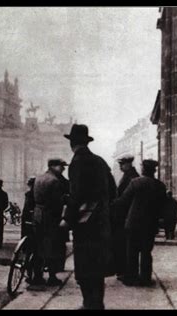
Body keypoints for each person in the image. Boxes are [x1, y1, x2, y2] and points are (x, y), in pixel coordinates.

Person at [60, 124, 115, 310]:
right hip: (102, 221)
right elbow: (113, 190)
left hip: (84, 223)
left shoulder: (77, 162)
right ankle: (97, 303)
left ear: (72, 143)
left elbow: (76, 195)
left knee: (84, 264)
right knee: (97, 265)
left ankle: (88, 304)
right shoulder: (100, 161)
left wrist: (67, 218)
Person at [113, 159, 167, 287]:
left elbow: (123, 201)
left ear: (143, 169)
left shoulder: (135, 183)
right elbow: (163, 206)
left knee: (131, 251)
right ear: (154, 170)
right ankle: (145, 278)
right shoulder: (160, 185)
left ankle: (131, 278)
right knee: (146, 251)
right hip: (150, 224)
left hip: (133, 223)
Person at [30, 158, 69, 288]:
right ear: (53, 166)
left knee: (37, 246)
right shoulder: (55, 181)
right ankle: (52, 277)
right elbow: (57, 203)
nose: (63, 169)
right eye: (61, 166)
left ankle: (37, 276)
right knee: (53, 247)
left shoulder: (38, 178)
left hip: (37, 214)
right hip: (50, 216)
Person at [111, 155, 140, 281]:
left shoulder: (132, 177)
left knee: (125, 245)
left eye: (122, 164)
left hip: (126, 215)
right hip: (123, 215)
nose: (120, 166)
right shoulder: (128, 175)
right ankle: (123, 270)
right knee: (122, 244)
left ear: (129, 164)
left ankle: (126, 271)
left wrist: (112, 204)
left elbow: (126, 198)